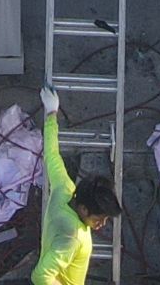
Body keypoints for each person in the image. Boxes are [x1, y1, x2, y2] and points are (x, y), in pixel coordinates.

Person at [32, 86, 121, 285]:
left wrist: (51, 114)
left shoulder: (64, 190)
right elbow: (40, 276)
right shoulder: (71, 238)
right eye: (99, 218)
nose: (102, 224)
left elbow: (52, 156)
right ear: (83, 208)